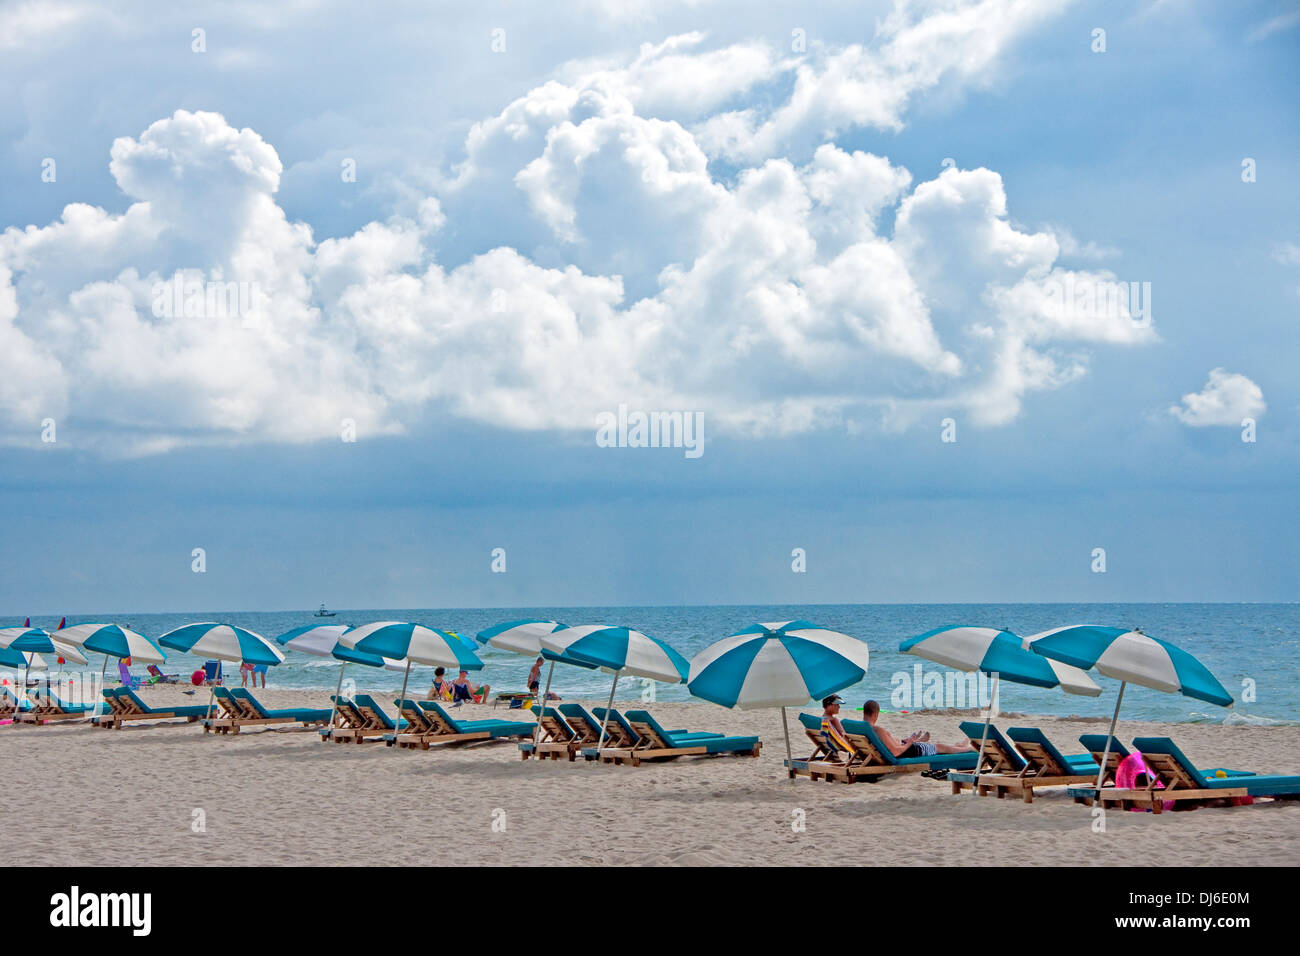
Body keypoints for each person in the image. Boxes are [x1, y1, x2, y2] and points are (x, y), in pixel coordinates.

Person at [862, 699, 973, 758]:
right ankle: (969, 749)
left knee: (938, 746)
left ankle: (961, 745)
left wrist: (908, 741)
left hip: (899, 747)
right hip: (909, 751)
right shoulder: (878, 730)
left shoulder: (860, 728)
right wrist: (909, 743)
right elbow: (896, 752)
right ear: (876, 714)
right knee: (941, 747)